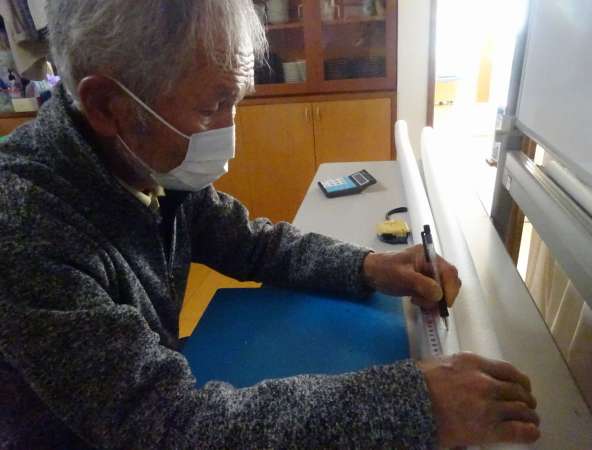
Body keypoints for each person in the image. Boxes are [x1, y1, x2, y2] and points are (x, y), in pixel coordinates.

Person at [0, 1, 540, 448]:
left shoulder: (142, 158)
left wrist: (369, 266)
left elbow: (249, 242)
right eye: (212, 106)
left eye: (235, 101)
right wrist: (415, 406)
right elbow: (165, 426)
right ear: (107, 106)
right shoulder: (24, 228)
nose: (228, 133)